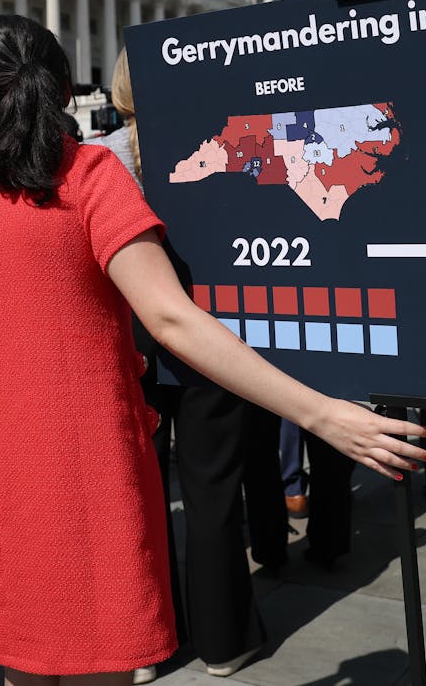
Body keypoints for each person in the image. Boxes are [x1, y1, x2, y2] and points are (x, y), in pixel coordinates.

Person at [0, 16, 426, 685]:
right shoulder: (87, 176)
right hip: (82, 472)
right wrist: (321, 413)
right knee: (96, 659)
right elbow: (172, 319)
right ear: (67, 88)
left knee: (25, 663)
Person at [87, 48, 265, 682]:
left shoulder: (100, 156)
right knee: (214, 487)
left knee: (140, 491)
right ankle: (222, 639)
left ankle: (148, 642)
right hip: (208, 328)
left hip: (132, 327)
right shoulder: (220, 146)